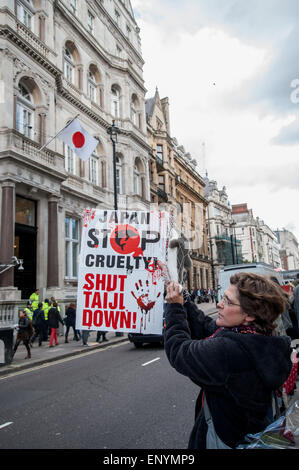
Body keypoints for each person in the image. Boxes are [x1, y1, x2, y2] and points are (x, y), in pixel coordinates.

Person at [164, 272, 292, 449]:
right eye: (222, 298)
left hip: (224, 439)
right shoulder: (258, 336)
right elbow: (207, 327)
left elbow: (179, 351)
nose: (219, 304)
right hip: (246, 432)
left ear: (249, 315)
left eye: (228, 302)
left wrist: (174, 308)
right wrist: (184, 298)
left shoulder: (230, 351)